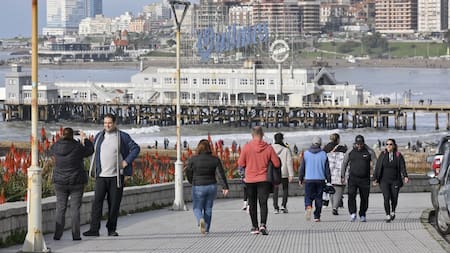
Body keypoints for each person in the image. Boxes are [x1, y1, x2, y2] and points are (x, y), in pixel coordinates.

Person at [83, 113, 141, 237]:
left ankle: (111, 229)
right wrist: (85, 140)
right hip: (101, 176)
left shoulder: (122, 136)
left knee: (114, 204)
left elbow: (136, 148)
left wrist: (126, 161)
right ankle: (94, 229)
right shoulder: (99, 136)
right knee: (96, 203)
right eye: (105, 123)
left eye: (109, 123)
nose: (107, 125)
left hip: (116, 177)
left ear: (115, 123)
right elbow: (92, 150)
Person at [50, 128, 94, 240]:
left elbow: (51, 149)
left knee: (60, 208)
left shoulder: (56, 146)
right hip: (76, 181)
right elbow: (90, 150)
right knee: (75, 209)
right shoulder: (78, 147)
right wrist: (84, 138)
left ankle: (57, 235)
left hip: (60, 182)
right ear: (73, 136)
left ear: (62, 135)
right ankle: (76, 235)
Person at [238, 126, 280, 235]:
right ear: (262, 134)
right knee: (263, 203)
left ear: (252, 135)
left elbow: (241, 163)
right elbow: (277, 163)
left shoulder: (246, 147)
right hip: (264, 179)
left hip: (250, 180)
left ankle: (254, 227)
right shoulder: (268, 148)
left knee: (252, 203)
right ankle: (263, 225)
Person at [186, 139, 229, 234]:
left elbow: (188, 172)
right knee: (208, 208)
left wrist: (191, 181)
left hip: (198, 186)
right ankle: (207, 229)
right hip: (211, 186)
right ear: (209, 148)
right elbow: (220, 174)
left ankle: (200, 220)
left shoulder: (193, 159)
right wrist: (225, 187)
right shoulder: (215, 159)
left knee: (197, 208)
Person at [341, 135, 377, 222]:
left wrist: (375, 177)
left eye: (361, 144)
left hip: (365, 179)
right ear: (355, 143)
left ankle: (362, 214)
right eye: (358, 144)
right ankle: (352, 213)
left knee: (364, 198)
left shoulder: (369, 151)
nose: (359, 146)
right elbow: (344, 163)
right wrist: (342, 176)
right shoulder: (350, 151)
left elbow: (376, 164)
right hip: (353, 178)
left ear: (363, 143)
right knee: (351, 195)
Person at [373, 138, 409, 223]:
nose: (388, 146)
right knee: (386, 197)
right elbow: (377, 167)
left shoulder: (398, 155)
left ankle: (393, 211)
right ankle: (388, 215)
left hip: (395, 180)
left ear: (394, 146)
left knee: (394, 198)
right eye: (387, 144)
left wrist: (405, 176)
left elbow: (402, 167)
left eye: (390, 144)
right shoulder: (383, 154)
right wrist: (375, 178)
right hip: (384, 181)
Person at [298, 136, 331, 222]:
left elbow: (302, 168)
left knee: (308, 196)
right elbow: (327, 169)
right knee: (318, 198)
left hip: (309, 179)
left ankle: (308, 206)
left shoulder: (306, 154)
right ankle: (317, 216)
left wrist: (300, 178)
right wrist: (329, 181)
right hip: (320, 179)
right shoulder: (324, 154)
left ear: (312, 143)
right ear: (320, 144)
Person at [323, 133, 348, 215]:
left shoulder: (325, 148)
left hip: (329, 172)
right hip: (338, 172)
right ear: (338, 139)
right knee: (339, 190)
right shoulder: (342, 148)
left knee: (331, 190)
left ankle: (334, 205)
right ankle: (335, 207)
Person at [271, 133, 294, 214]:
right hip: (284, 172)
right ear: (282, 139)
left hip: (274, 172)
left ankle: (275, 208)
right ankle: (283, 206)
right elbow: (289, 163)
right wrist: (291, 174)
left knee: (275, 190)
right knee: (285, 189)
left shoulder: (270, 148)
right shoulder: (286, 149)